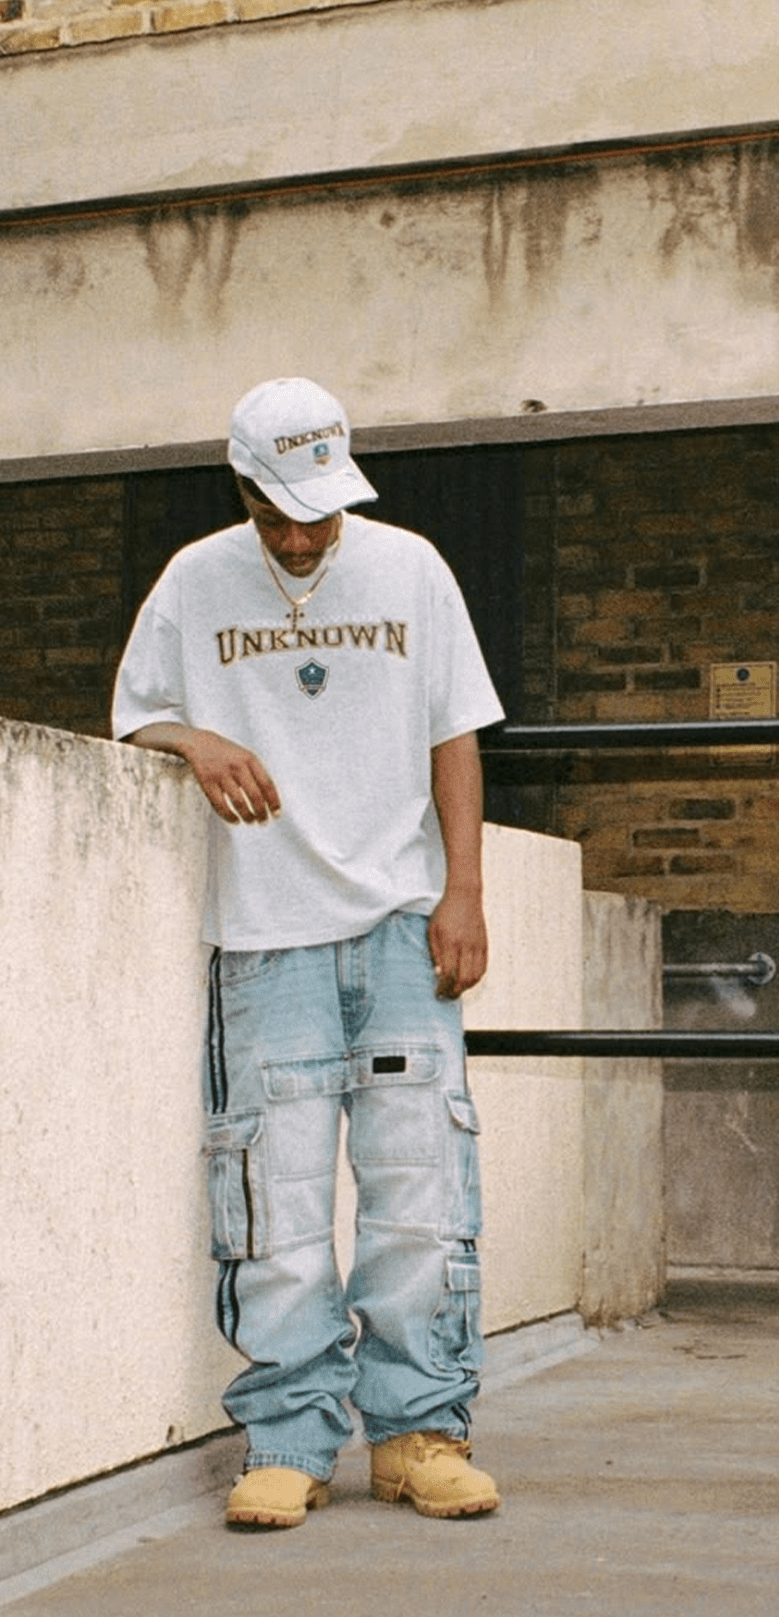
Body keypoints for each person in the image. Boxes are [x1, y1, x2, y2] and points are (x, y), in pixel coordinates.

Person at [113, 377, 506, 1531]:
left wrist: (464, 892)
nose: (297, 538)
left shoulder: (412, 569)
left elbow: (455, 735)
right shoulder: (195, 579)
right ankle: (288, 1438)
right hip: (264, 929)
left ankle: (419, 1434)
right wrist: (197, 739)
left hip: (402, 923)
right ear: (239, 485)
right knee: (272, 1196)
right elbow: (135, 711)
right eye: (274, 513)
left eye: (318, 514)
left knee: (420, 1186)